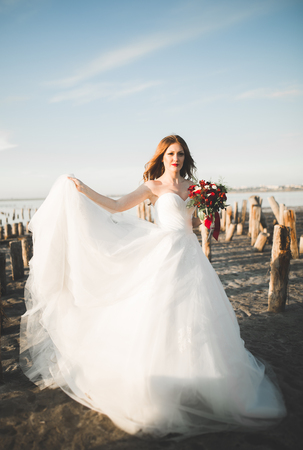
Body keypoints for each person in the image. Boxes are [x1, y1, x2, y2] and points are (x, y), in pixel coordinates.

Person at [20, 135, 286, 439]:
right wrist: (83, 189)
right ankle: (160, 387)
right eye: (171, 154)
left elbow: (201, 224)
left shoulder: (196, 187)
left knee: (199, 319)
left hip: (193, 258)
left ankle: (203, 381)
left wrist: (208, 216)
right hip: (165, 256)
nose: (176, 159)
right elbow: (117, 205)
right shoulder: (152, 187)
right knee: (161, 317)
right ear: (162, 157)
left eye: (181, 154)